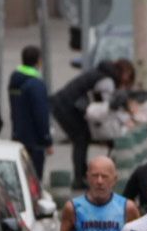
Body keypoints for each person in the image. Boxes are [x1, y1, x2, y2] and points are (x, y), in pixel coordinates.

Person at [51, 59, 121, 190]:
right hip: (67, 108)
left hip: (63, 104)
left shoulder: (97, 73)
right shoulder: (106, 80)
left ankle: (82, 176)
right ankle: (79, 178)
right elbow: (104, 104)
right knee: (81, 139)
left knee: (82, 138)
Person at [8, 44, 51, 174]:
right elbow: (41, 114)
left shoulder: (15, 79)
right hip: (34, 142)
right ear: (38, 61)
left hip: (18, 136)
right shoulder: (36, 84)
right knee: (35, 177)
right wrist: (47, 140)